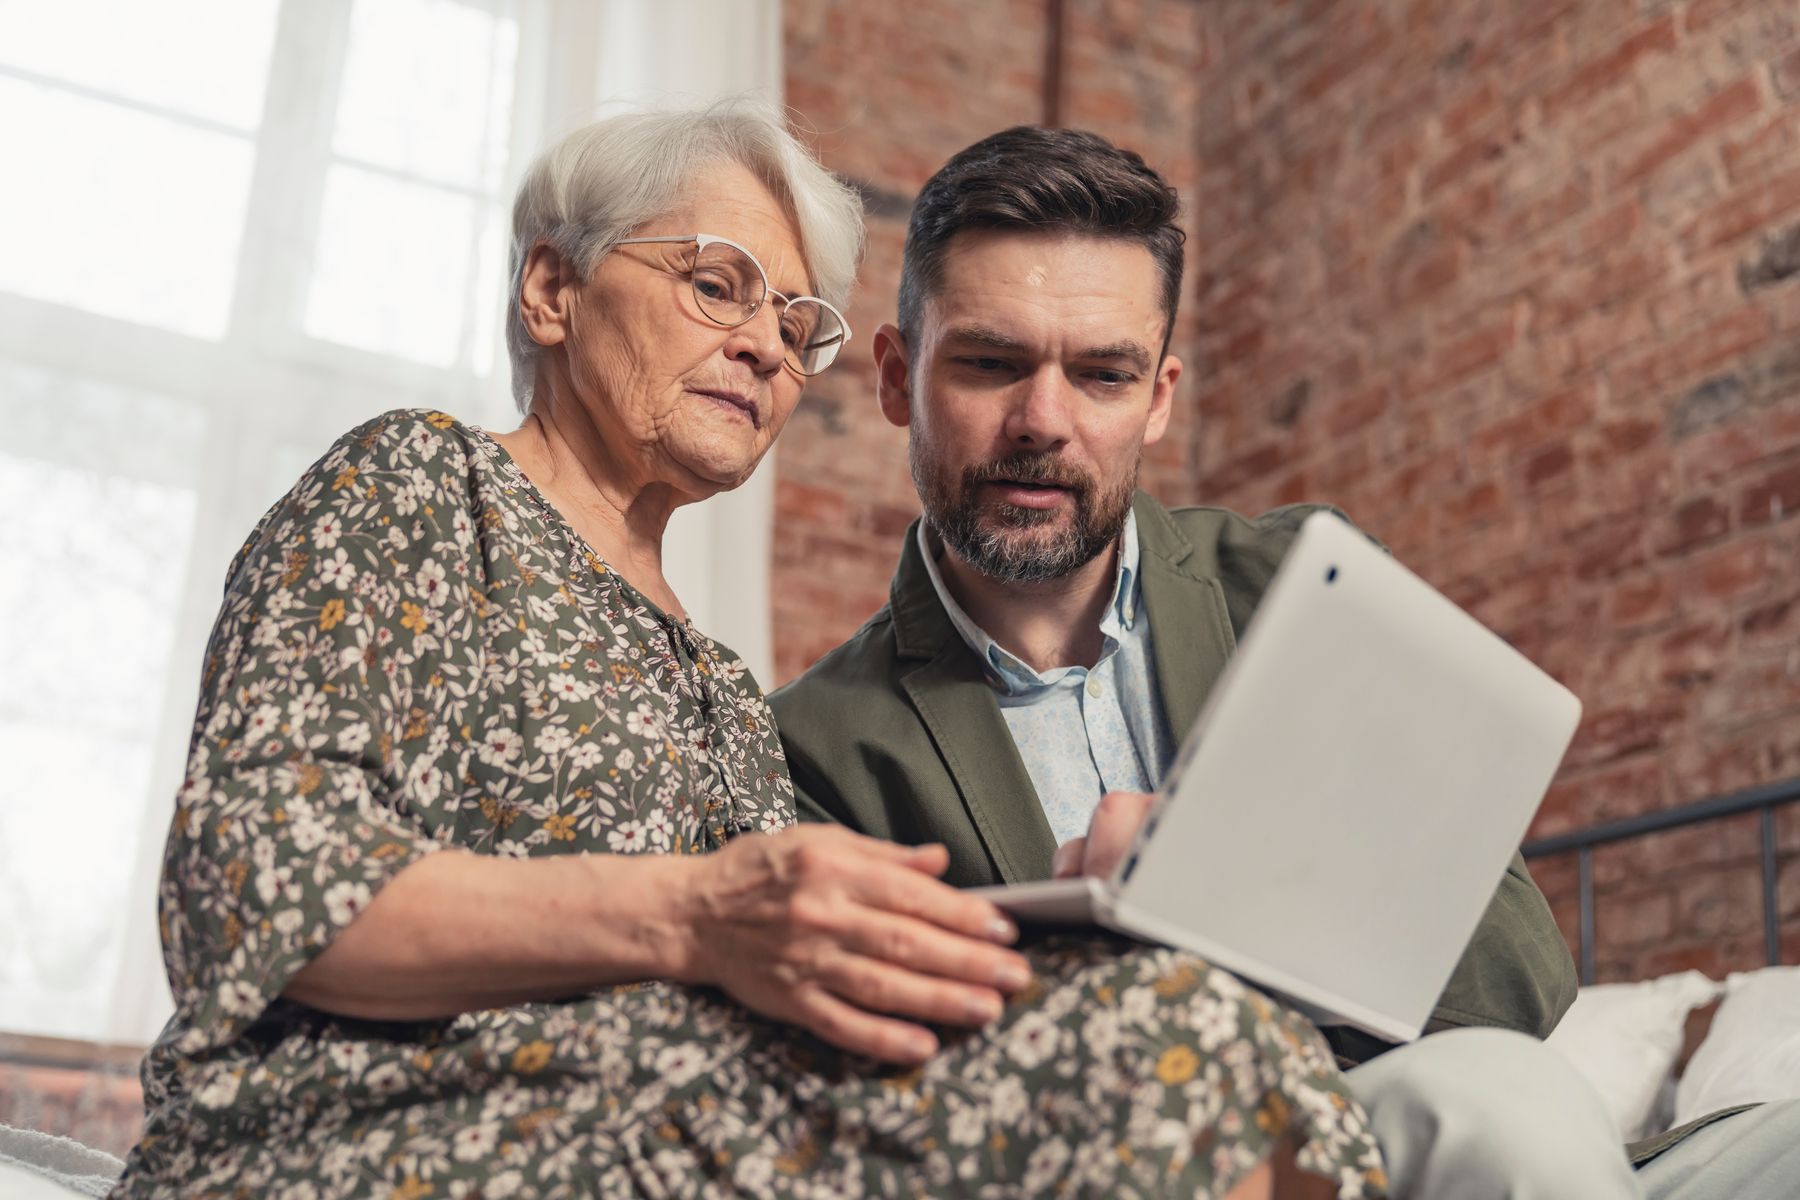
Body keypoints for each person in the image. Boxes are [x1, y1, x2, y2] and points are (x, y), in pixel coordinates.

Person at [113, 104, 1385, 1198]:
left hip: (643, 1124)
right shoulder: (425, 488)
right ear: (552, 289)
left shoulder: (723, 688)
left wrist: (1056, 937)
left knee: (1236, 1042)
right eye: (717, 285)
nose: (767, 346)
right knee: (1180, 1041)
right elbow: (254, 889)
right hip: (363, 1130)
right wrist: (698, 913)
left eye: (795, 320)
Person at [770, 124, 1800, 1198]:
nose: (1044, 422)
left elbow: (1518, 979)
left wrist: (1214, 890)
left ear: (1159, 399)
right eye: (992, 364)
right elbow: (889, 1118)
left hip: (1449, 1142)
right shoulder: (817, 746)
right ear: (897, 376)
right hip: (1203, 1168)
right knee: (1501, 1103)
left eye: (1104, 374)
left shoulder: (1308, 581)